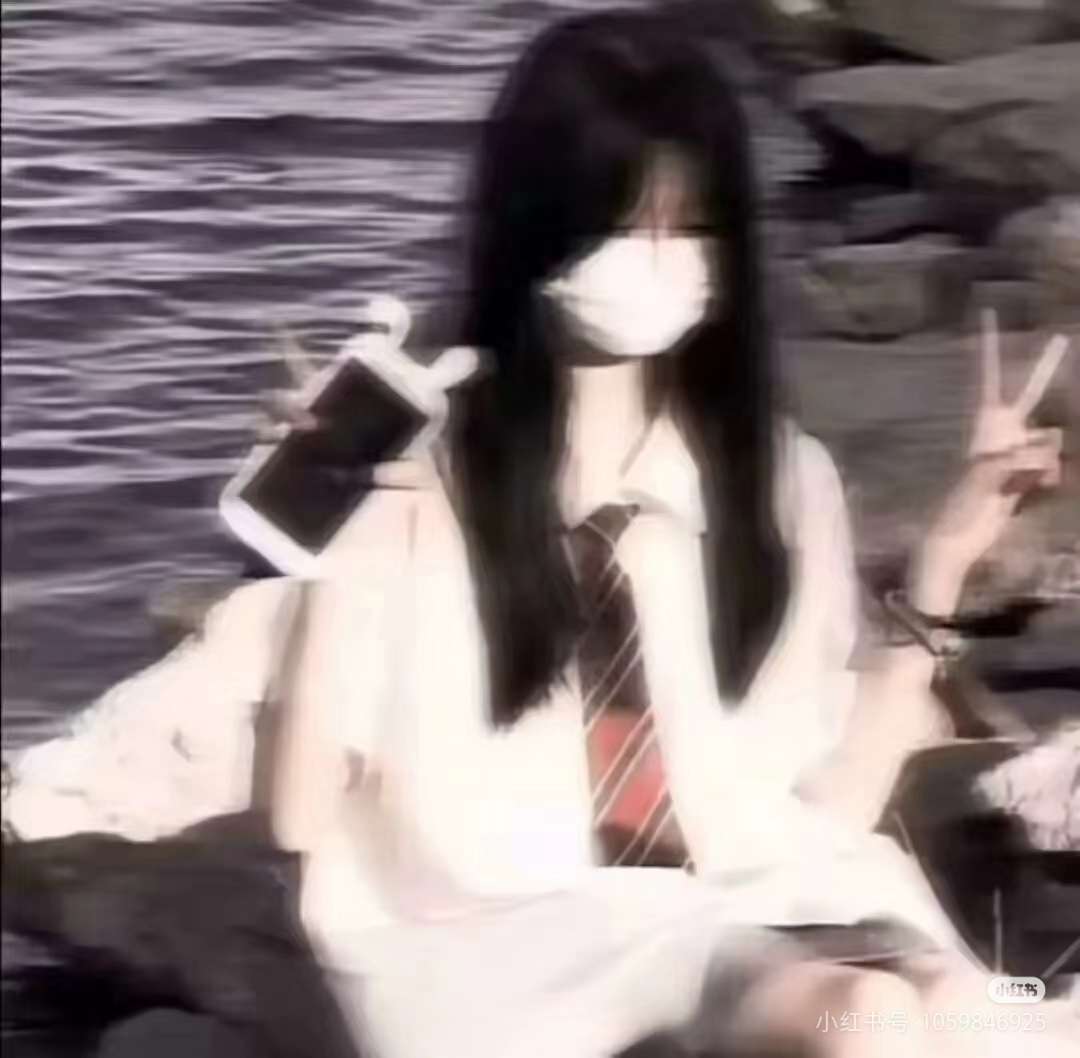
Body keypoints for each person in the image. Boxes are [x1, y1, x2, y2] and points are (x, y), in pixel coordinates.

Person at [3, 9, 1073, 1058]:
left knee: (963, 1007)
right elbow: (298, 816)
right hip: (507, 943)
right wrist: (333, 541)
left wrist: (945, 560)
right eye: (621, 226)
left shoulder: (780, 483)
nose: (656, 260)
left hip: (766, 904)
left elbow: (827, 804)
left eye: (689, 228)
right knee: (868, 1019)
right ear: (536, 232)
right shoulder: (419, 489)